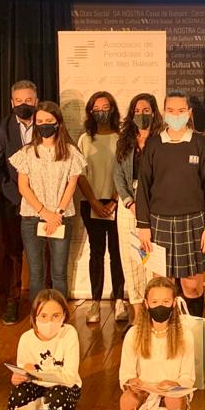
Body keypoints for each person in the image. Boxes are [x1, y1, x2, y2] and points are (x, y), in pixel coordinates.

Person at [135, 90, 205, 318]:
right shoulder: (154, 145)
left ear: (189, 113)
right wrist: (143, 225)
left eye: (181, 110)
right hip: (159, 223)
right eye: (171, 111)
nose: (176, 115)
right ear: (164, 113)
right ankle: (165, 332)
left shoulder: (200, 143)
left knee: (193, 286)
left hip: (194, 223)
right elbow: (143, 187)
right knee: (162, 286)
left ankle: (194, 331)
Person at [0, 290, 92, 410]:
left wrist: (39, 373)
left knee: (58, 396)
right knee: (18, 394)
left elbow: (68, 377)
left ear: (64, 315)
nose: (49, 321)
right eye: (44, 316)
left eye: (56, 316)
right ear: (35, 317)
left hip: (65, 387)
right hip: (36, 385)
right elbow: (23, 370)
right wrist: (18, 378)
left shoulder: (69, 334)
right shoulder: (26, 338)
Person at [9, 101, 85, 298]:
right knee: (36, 273)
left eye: (48, 121)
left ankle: (60, 311)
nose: (44, 125)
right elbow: (23, 187)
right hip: (32, 217)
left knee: (59, 273)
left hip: (61, 217)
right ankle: (38, 312)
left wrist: (56, 214)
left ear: (57, 122)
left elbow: (71, 185)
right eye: (40, 121)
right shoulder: (27, 152)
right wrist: (44, 213)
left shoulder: (70, 152)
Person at [0, 79, 38, 325]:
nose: (23, 104)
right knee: (12, 251)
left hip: (45, 203)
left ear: (36, 101)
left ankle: (44, 302)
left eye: (28, 100)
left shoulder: (48, 123)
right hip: (12, 201)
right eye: (19, 101)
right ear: (11, 102)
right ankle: (12, 300)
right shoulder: (0, 129)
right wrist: (17, 196)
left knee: (43, 253)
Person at [113, 93, 163, 329]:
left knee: (153, 261)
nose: (141, 115)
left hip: (156, 206)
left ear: (154, 113)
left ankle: (157, 314)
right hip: (128, 206)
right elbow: (118, 176)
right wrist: (130, 203)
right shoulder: (124, 141)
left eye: (146, 110)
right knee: (131, 259)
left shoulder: (162, 140)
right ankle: (138, 317)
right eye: (137, 111)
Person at [76, 91, 127, 324]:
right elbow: (80, 174)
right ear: (90, 111)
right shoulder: (85, 139)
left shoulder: (122, 138)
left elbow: (125, 173)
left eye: (106, 107)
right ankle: (95, 301)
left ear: (113, 110)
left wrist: (115, 201)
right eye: (96, 108)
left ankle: (120, 300)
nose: (101, 112)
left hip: (118, 204)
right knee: (96, 253)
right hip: (91, 203)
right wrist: (94, 202)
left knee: (117, 253)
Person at [118, 276, 195, 410]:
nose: (160, 306)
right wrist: (131, 382)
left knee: (173, 401)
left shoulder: (185, 335)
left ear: (173, 303)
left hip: (172, 392)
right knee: (127, 400)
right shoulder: (133, 334)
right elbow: (126, 373)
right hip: (144, 391)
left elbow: (188, 376)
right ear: (146, 304)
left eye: (166, 301)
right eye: (155, 302)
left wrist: (175, 385)